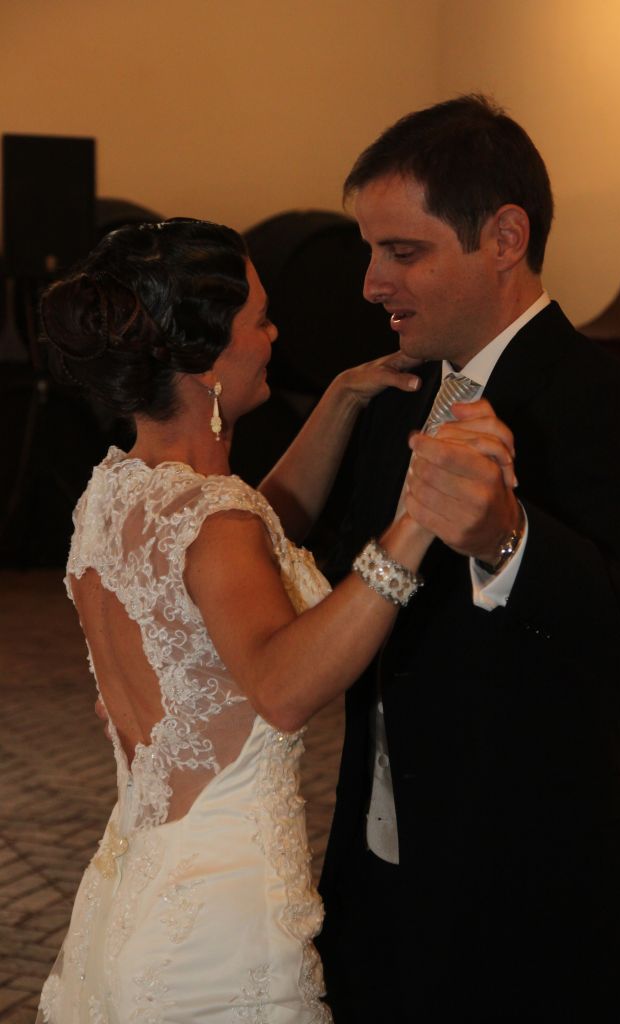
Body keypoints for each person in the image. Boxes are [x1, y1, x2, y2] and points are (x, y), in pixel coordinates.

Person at [35, 217, 469, 1023]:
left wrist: (339, 400)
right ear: (207, 360)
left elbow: (250, 543)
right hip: (218, 931)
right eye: (260, 320)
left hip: (138, 891)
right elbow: (282, 687)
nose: (274, 337)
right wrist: (417, 520)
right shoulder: (212, 522)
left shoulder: (119, 491)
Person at [316, 95, 620, 1023]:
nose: (370, 283)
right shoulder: (399, 395)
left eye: (402, 252)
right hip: (381, 883)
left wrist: (509, 543)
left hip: (532, 910)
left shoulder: (604, 400)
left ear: (504, 238)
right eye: (370, 250)